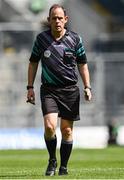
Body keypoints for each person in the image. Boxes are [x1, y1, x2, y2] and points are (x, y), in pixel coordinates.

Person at [26, 4, 92, 176]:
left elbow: (82, 64)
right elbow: (33, 63)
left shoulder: (75, 39)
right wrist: (30, 87)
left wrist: (87, 87)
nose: (57, 21)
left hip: (70, 90)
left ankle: (63, 166)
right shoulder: (41, 40)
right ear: (48, 20)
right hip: (49, 90)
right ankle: (52, 160)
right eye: (53, 18)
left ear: (66, 20)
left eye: (60, 18)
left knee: (67, 130)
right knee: (49, 127)